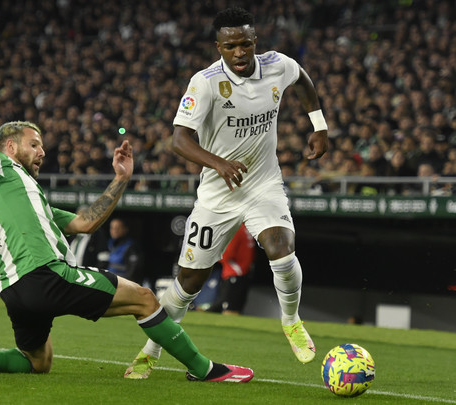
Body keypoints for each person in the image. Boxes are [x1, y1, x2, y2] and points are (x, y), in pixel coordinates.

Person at [0, 121, 253, 382]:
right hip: (43, 274)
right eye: (34, 144)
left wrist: (120, 180)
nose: (42, 152)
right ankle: (205, 370)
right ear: (10, 145)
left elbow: (86, 222)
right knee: (144, 298)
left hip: (16, 292)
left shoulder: (32, 197)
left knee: (40, 362)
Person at [124, 7, 328, 379]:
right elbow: (179, 140)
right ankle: (151, 349)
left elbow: (304, 81)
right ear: (218, 46)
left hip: (263, 184)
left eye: (246, 44)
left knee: (281, 248)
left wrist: (319, 126)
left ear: (255, 42)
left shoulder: (278, 65)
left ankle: (291, 321)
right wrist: (216, 162)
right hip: (218, 196)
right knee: (188, 284)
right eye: (230, 45)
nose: (239, 52)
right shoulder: (204, 83)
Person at [206, 224, 256, 315]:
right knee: (233, 307)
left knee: (229, 310)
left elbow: (227, 254)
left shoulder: (234, 229)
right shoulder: (245, 228)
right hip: (243, 272)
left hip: (234, 272)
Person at [105, 218, 144, 285]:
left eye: (118, 228)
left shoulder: (131, 246)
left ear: (125, 229)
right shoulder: (108, 244)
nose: (115, 231)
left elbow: (133, 273)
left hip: (123, 285)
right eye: (112, 228)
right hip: (109, 283)